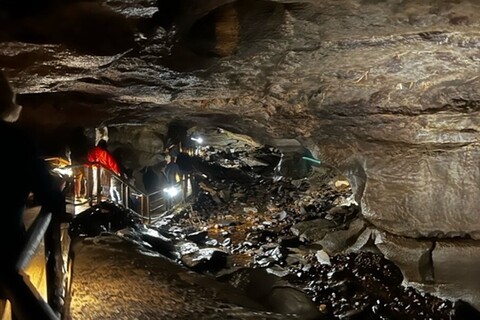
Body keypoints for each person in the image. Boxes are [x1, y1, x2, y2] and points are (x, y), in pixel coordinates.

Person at [0, 70, 66, 319]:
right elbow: (49, 197)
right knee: (19, 294)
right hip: (4, 244)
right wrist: (56, 194)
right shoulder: (17, 141)